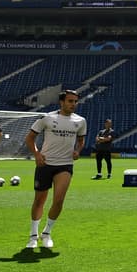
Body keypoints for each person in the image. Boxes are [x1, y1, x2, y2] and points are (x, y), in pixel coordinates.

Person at [24, 90, 87, 249]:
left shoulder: (80, 121)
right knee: (40, 200)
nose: (73, 104)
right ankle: (33, 235)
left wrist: (77, 151)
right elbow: (30, 138)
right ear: (62, 102)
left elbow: (81, 141)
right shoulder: (47, 118)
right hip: (45, 164)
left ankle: (47, 233)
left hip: (65, 165)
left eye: (75, 101)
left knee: (58, 200)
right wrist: (37, 154)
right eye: (70, 101)